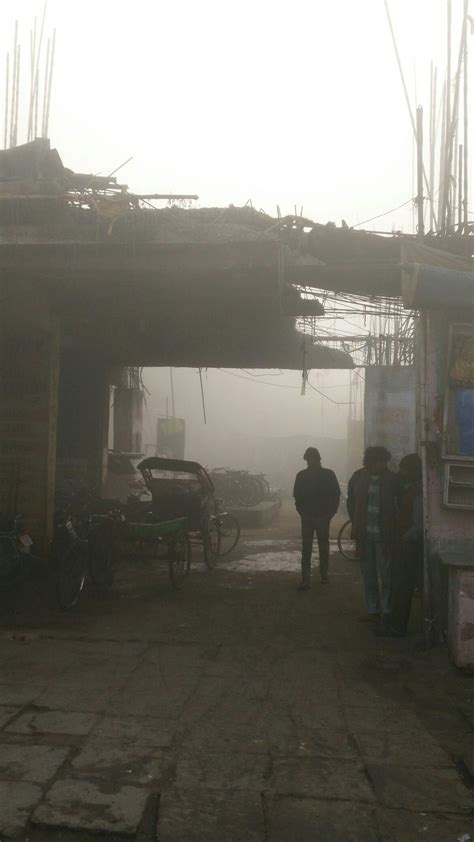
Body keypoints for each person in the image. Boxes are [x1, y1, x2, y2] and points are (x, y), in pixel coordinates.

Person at [347, 446, 399, 630]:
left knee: (387, 577)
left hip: (385, 537)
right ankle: (373, 610)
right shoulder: (358, 477)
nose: (384, 465)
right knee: (368, 575)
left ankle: (386, 611)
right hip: (364, 536)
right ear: (371, 461)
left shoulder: (393, 480)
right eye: (381, 461)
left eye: (385, 462)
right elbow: (350, 500)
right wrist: (356, 522)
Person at [293, 447, 341, 591]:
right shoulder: (328, 474)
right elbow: (336, 496)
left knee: (310, 548)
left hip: (314, 516)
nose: (310, 461)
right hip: (317, 516)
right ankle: (320, 576)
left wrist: (303, 512)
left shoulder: (302, 475)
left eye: (311, 459)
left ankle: (309, 578)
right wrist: (330, 514)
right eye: (309, 459)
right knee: (319, 546)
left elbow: (297, 497)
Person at [390, 453, 423, 637]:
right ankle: (397, 625)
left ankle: (398, 627)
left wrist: (405, 538)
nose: (401, 472)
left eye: (403, 468)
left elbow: (419, 525)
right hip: (405, 542)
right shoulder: (411, 488)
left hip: (408, 545)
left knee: (403, 587)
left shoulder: (418, 491)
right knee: (401, 586)